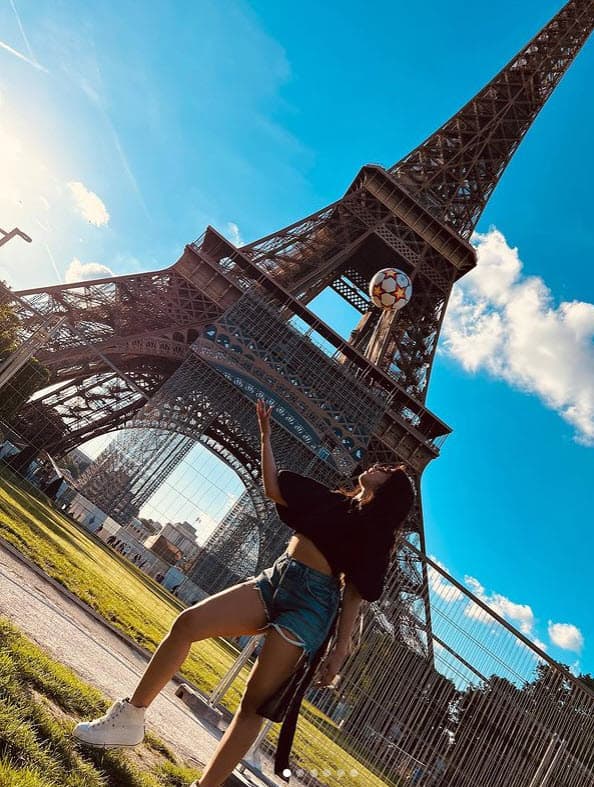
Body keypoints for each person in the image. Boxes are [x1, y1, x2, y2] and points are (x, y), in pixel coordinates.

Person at [72, 399, 415, 787]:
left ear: (390, 492)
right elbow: (273, 488)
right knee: (187, 624)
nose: (376, 465)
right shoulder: (332, 500)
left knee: (253, 703)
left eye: (386, 471)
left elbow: (354, 594)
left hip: (311, 605)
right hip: (276, 579)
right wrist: (266, 437)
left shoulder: (376, 534)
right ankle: (130, 719)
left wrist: (339, 652)